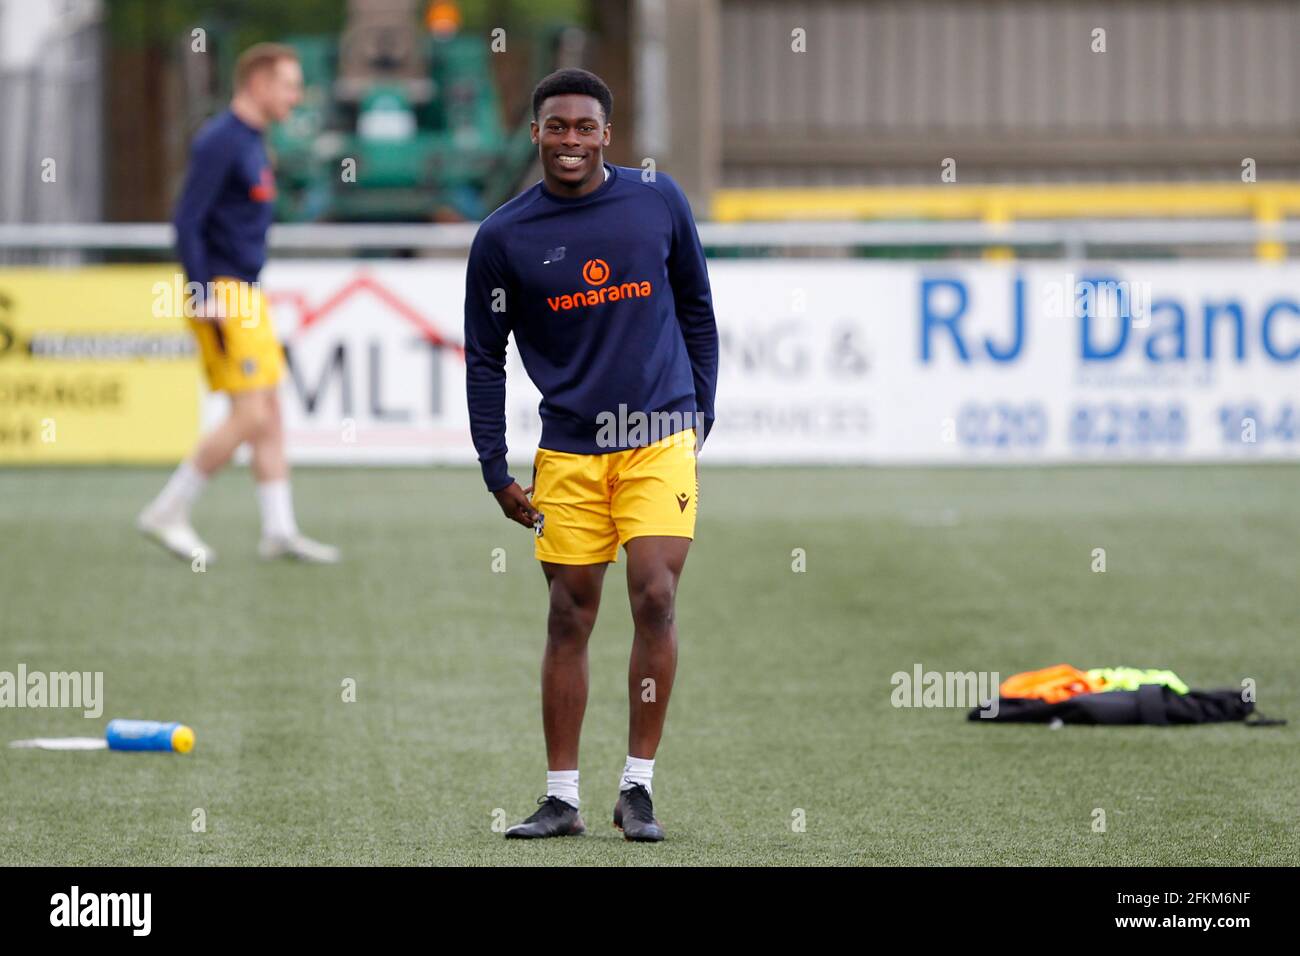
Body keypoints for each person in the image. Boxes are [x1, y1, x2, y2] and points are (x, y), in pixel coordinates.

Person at [464, 68, 719, 841]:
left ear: (607, 134)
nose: (569, 141)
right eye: (555, 127)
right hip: (569, 452)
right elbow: (484, 357)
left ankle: (636, 789)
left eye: (584, 128)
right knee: (569, 614)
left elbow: (697, 309)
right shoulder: (504, 237)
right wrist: (493, 467)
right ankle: (562, 798)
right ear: (536, 134)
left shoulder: (657, 200)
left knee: (655, 597)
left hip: (657, 437)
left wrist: (699, 413)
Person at [138, 43, 338, 566]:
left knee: (268, 411)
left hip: (245, 293)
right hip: (224, 294)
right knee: (250, 413)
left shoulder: (252, 140)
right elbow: (187, 221)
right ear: (258, 83)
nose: (296, 96)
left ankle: (279, 530)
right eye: (289, 84)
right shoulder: (222, 140)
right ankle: (168, 509)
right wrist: (203, 294)